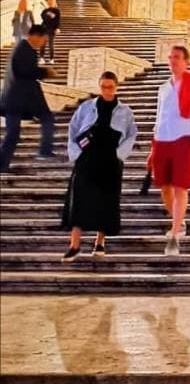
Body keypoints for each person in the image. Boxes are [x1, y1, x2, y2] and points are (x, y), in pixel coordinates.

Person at [61, 71, 138, 260]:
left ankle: (100, 242)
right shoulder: (87, 107)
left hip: (110, 160)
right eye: (103, 86)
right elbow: (73, 129)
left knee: (106, 201)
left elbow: (131, 135)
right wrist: (76, 153)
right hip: (87, 159)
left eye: (110, 87)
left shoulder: (125, 111)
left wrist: (120, 155)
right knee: (79, 200)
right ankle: (74, 245)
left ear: (116, 87)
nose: (106, 90)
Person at [148, 45, 190, 256]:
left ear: (186, 61)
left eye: (177, 57)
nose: (173, 61)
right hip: (162, 140)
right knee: (164, 187)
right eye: (170, 57)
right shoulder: (163, 88)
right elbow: (159, 118)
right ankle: (180, 221)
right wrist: (152, 146)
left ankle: (174, 236)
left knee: (180, 187)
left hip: (184, 140)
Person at [0, 24, 56, 172]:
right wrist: (45, 72)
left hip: (18, 98)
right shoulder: (23, 49)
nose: (44, 42)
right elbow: (24, 71)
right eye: (44, 39)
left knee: (13, 133)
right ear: (35, 36)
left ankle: (2, 164)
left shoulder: (25, 49)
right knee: (15, 132)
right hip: (18, 98)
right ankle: (45, 151)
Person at [40, 0, 61, 65]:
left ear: (54, 2)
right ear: (48, 2)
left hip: (52, 29)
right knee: (43, 44)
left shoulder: (57, 11)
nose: (52, 3)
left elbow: (58, 20)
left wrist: (57, 28)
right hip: (44, 28)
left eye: (53, 1)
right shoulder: (45, 11)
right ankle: (42, 58)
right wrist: (48, 14)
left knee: (51, 44)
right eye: (50, 1)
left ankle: (51, 59)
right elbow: (43, 18)